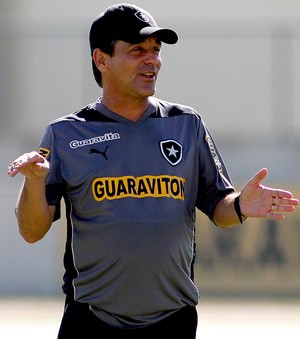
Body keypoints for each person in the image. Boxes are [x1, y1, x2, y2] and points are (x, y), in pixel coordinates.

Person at [7, 3, 299, 339]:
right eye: (137, 51)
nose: (152, 60)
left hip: (173, 320)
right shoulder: (66, 133)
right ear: (101, 60)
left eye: (155, 50)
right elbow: (32, 231)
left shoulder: (186, 124)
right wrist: (34, 180)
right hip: (91, 320)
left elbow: (219, 208)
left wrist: (239, 206)